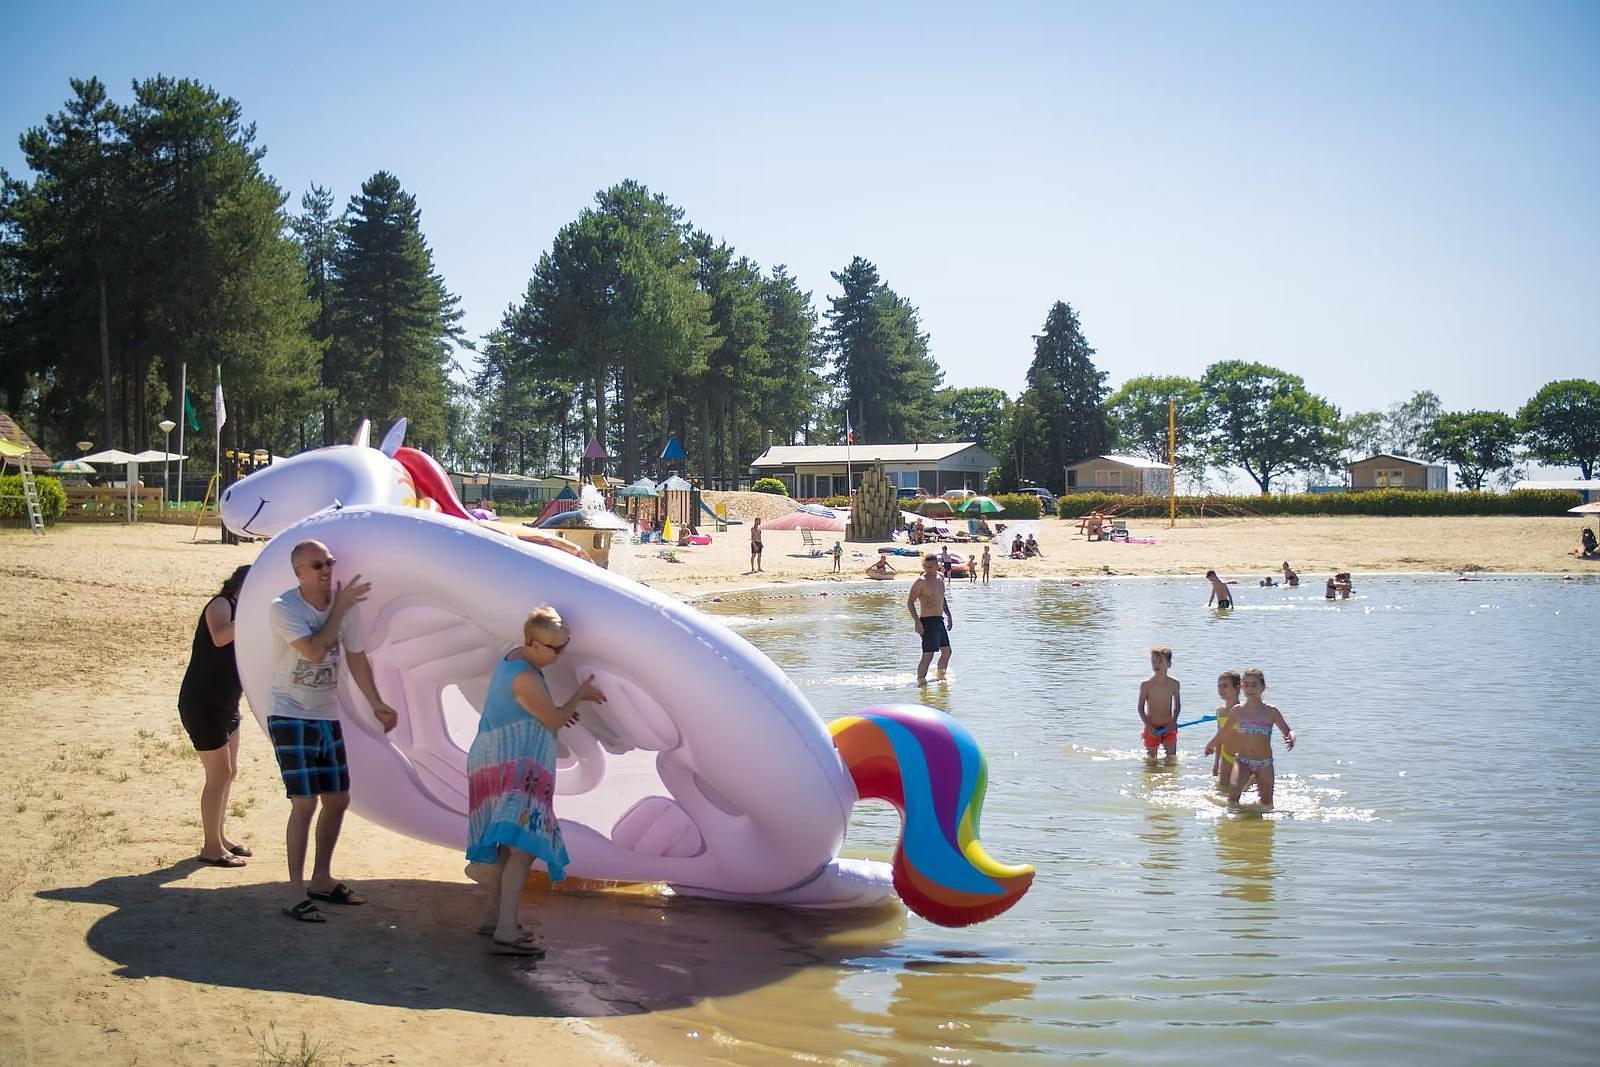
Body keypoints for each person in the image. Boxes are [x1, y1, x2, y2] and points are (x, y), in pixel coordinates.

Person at [268, 540, 398, 923]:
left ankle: (321, 880)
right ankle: (295, 892)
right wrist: (339, 609)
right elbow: (313, 651)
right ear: (299, 573)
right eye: (317, 565)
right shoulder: (284, 607)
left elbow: (355, 657)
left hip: (325, 715)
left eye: (330, 563)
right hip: (290, 714)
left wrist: (376, 703)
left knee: (338, 799)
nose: (326, 570)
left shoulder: (344, 607)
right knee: (304, 803)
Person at [467, 607, 605, 956]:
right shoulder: (525, 677)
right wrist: (578, 696)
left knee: (505, 846)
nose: (561, 654)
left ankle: (493, 919)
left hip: (494, 759)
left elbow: (540, 712)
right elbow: (554, 720)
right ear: (533, 643)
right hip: (511, 764)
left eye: (565, 646)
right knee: (524, 848)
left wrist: (552, 711)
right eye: (556, 648)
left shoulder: (514, 658)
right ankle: (506, 931)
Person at [178, 564, 253, 868]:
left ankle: (219, 838)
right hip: (202, 703)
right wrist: (251, 613)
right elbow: (220, 637)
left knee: (229, 772)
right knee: (219, 774)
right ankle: (211, 847)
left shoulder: (246, 614)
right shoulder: (221, 604)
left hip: (227, 703)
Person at [1205, 667, 1295, 809]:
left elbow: (1287, 730)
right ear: (1241, 687)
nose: (1250, 689)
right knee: (1232, 798)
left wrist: (1291, 737)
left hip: (1264, 763)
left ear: (1262, 687)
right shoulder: (1238, 711)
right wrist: (1210, 744)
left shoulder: (1271, 711)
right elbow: (1223, 732)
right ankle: (1236, 821)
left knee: (1267, 804)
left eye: (1254, 685)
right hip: (1242, 762)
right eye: (1246, 685)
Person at [908, 553, 954, 684]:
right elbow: (910, 602)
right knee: (928, 654)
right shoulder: (921, 582)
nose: (928, 569)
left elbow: (941, 598)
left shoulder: (940, 577)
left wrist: (949, 615)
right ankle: (921, 681)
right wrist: (917, 622)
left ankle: (941, 677)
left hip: (939, 619)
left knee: (946, 651)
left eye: (931, 567)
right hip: (927, 621)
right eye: (925, 566)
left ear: (937, 565)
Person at [1137, 646, 1182, 760]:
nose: (1156, 665)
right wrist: (1149, 726)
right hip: (1151, 726)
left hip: (1168, 726)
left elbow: (1177, 705)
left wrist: (1173, 721)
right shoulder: (1146, 685)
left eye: (1160, 662)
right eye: (1153, 661)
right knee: (1151, 761)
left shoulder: (1174, 684)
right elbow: (1140, 708)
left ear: (1169, 664)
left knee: (1171, 759)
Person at [1207, 670, 1241, 786]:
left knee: (1242, 790)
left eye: (1225, 686)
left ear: (1237, 687)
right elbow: (1219, 738)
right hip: (1226, 756)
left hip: (1242, 757)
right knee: (1222, 789)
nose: (1221, 689)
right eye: (1219, 686)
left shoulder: (1243, 710)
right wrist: (1216, 763)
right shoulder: (1220, 711)